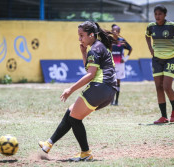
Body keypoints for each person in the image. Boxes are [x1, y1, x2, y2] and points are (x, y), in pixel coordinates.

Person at [38, 21, 117, 161]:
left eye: (82, 35)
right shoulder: (100, 46)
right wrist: (83, 52)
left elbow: (90, 75)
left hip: (100, 87)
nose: (79, 39)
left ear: (91, 34)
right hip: (109, 91)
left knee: (74, 118)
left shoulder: (95, 48)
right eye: (78, 36)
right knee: (71, 112)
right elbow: (89, 68)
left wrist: (70, 89)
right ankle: (48, 144)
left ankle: (86, 153)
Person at [145, 5, 174, 124]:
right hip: (156, 59)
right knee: (158, 87)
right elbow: (147, 35)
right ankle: (163, 116)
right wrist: (150, 49)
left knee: (166, 86)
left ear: (165, 15)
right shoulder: (151, 26)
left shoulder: (172, 26)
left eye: (160, 14)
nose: (157, 16)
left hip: (171, 59)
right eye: (156, 14)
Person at [111, 24, 132, 106]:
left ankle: (116, 101)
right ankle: (111, 100)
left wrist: (125, 58)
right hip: (111, 65)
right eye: (113, 30)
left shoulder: (122, 41)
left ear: (119, 32)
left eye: (116, 30)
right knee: (111, 82)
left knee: (118, 82)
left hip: (120, 65)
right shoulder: (109, 41)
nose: (114, 32)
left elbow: (130, 49)